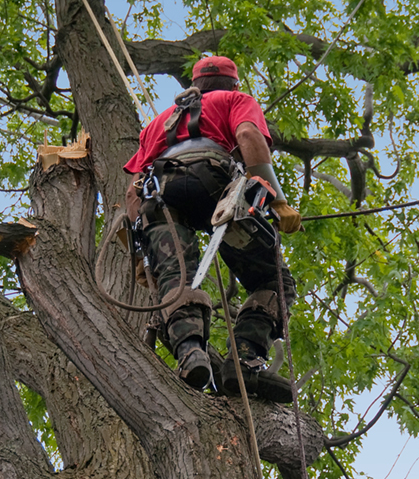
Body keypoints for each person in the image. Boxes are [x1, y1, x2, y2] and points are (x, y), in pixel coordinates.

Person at [124, 56, 301, 403]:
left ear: (196, 84)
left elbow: (132, 189)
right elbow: (248, 134)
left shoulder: (158, 123)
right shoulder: (236, 100)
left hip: (160, 197)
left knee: (175, 280)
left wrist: (142, 257)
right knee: (273, 281)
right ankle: (245, 360)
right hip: (215, 188)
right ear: (232, 84)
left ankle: (190, 353)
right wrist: (277, 200)